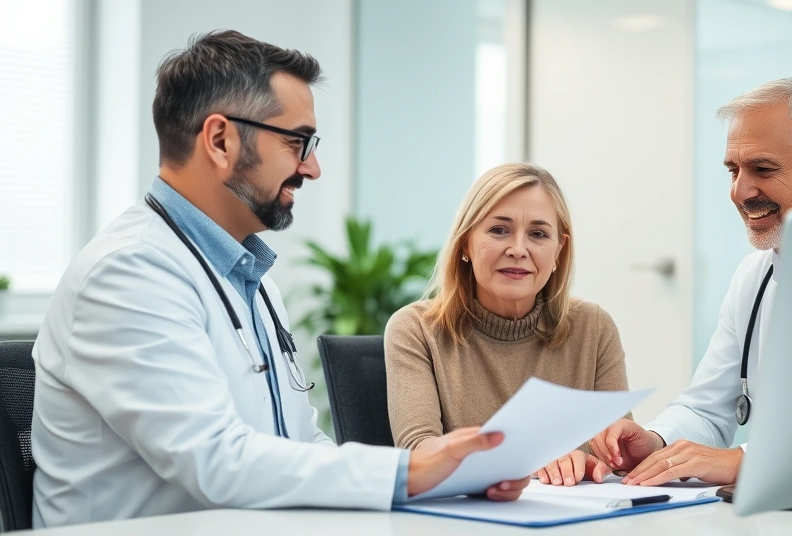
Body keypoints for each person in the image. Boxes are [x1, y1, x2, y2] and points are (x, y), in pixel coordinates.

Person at [31, 31, 527, 528]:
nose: (312, 168)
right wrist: (412, 471)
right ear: (221, 140)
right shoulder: (129, 273)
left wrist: (446, 481)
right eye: (298, 142)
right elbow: (216, 463)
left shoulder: (250, 277)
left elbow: (300, 443)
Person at [591, 77, 792, 487]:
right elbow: (707, 410)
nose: (739, 191)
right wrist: (655, 441)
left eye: (763, 169)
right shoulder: (754, 277)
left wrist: (744, 461)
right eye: (733, 170)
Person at [384, 163, 629, 488]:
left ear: (559, 251)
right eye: (499, 230)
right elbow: (418, 453)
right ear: (466, 243)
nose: (518, 249)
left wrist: (590, 462)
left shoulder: (594, 328)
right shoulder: (416, 329)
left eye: (538, 234)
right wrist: (523, 458)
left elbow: (619, 455)